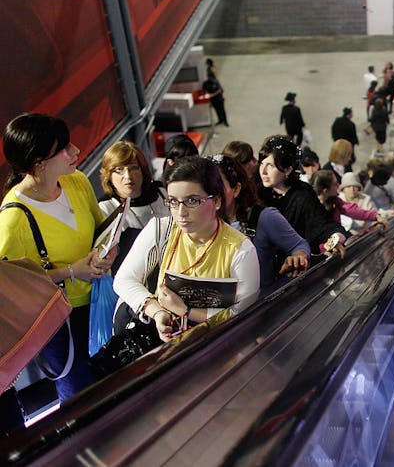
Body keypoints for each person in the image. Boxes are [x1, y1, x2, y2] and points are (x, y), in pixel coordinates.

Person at [0, 113, 116, 401]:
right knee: (80, 396)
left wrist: (107, 253)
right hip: (61, 320)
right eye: (64, 147)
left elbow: (99, 231)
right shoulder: (14, 219)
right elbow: (11, 289)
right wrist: (71, 272)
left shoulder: (76, 181)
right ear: (39, 163)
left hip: (101, 300)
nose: (76, 151)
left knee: (114, 379)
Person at [113, 156, 260, 342]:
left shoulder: (240, 250)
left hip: (215, 348)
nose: (181, 212)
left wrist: (186, 310)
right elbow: (124, 280)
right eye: (173, 201)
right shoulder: (161, 229)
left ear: (216, 201)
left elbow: (241, 312)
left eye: (192, 201)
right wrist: (157, 311)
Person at [210, 154, 309, 289]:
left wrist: (298, 257)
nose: (210, 194)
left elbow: (299, 245)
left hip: (259, 306)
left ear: (236, 189)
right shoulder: (200, 223)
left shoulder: (264, 217)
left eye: (218, 186)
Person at [257, 135, 347, 256]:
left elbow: (322, 224)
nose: (263, 172)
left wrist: (336, 237)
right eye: (262, 164)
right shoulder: (257, 191)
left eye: (270, 166)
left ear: (288, 170)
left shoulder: (302, 193)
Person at [99, 141, 170, 274]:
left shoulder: (162, 191)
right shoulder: (106, 208)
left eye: (133, 168)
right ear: (109, 175)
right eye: (119, 170)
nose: (128, 176)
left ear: (142, 170)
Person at [312, 170, 394, 230]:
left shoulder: (334, 200)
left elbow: (351, 210)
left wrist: (375, 216)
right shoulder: (311, 207)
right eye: (335, 184)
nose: (338, 185)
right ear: (325, 191)